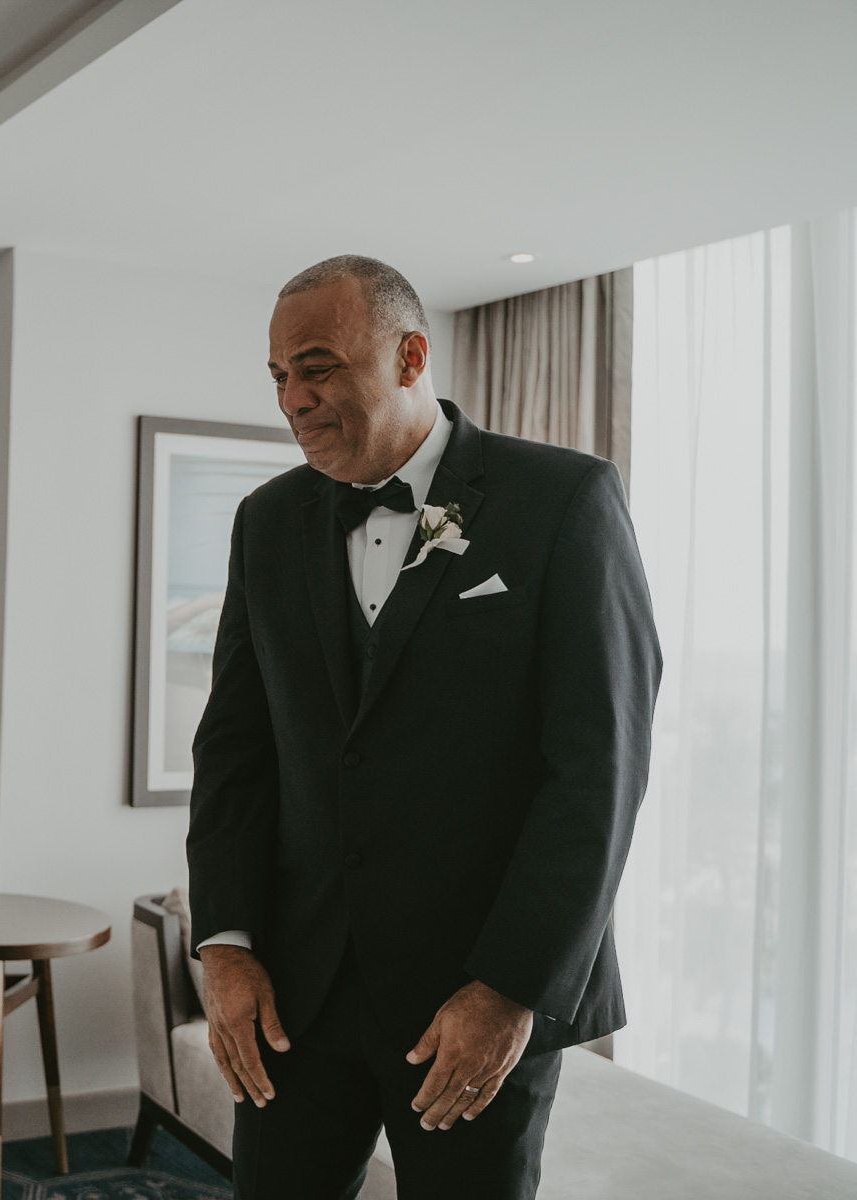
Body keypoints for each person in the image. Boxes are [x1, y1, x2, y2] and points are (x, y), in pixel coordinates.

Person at [186, 257, 660, 1199]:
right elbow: (236, 750)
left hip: (471, 995)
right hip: (297, 996)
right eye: (279, 375)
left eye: (317, 366)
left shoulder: (564, 502)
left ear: (411, 356)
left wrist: (510, 987)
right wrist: (227, 946)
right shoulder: (266, 522)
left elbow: (598, 769)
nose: (294, 399)